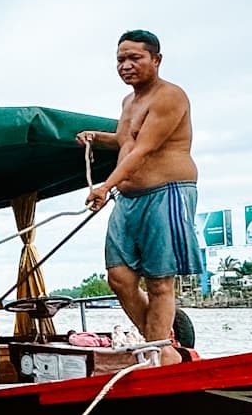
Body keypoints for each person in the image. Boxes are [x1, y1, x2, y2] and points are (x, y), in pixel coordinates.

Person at [78, 29, 202, 364]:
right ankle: (160, 346)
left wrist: (105, 185)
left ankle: (158, 350)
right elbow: (125, 140)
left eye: (135, 58)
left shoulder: (170, 96)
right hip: (130, 197)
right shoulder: (129, 102)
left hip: (166, 192)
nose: (126, 65)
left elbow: (143, 149)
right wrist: (97, 137)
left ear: (156, 60)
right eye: (121, 59)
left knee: (160, 280)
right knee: (119, 277)